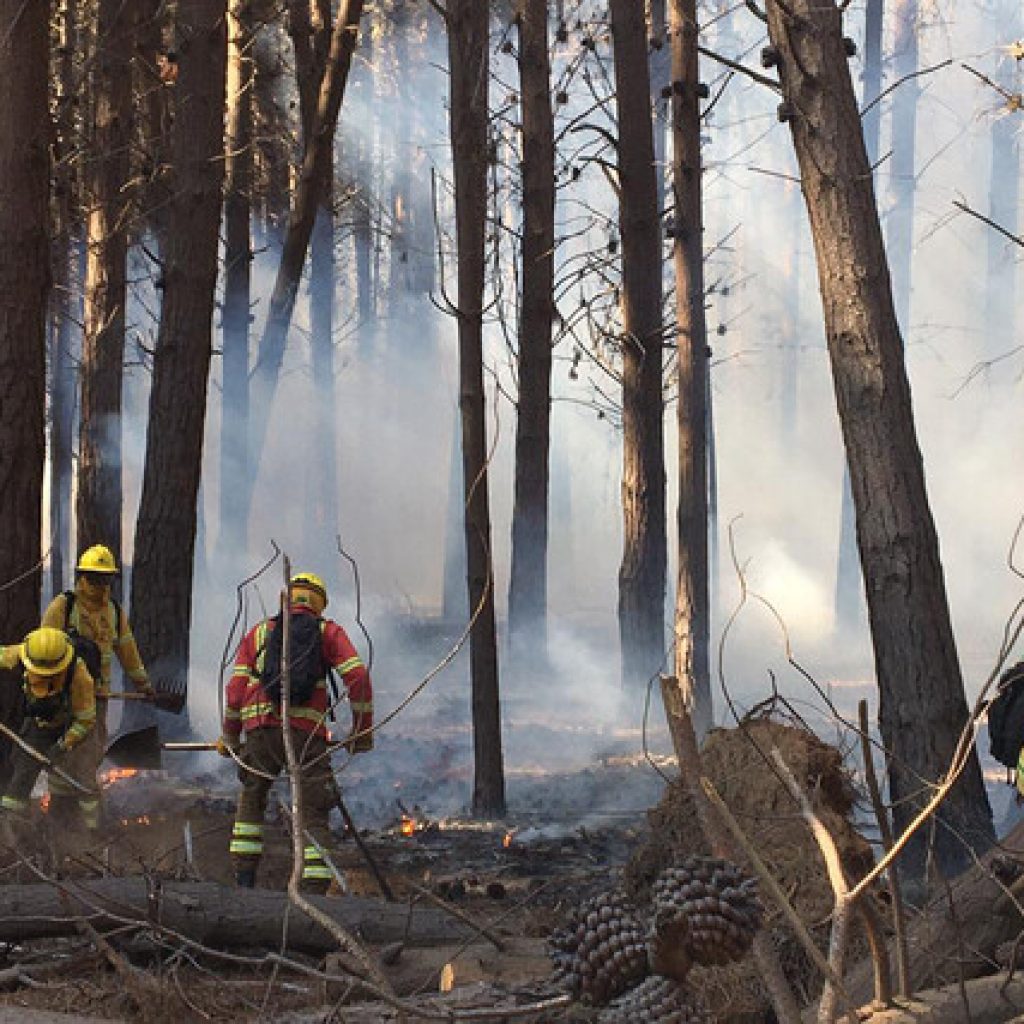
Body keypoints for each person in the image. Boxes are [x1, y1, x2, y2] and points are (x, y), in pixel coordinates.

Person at [219, 571, 373, 891]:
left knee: (252, 797)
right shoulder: (327, 632)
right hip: (306, 735)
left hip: (260, 729)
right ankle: (314, 890)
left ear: (285, 599)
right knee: (313, 807)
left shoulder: (260, 633)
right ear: (320, 603)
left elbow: (234, 691)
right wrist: (361, 733)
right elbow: (357, 677)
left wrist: (231, 737)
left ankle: (244, 881)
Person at [41, 545, 153, 806]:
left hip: (98, 697)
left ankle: (82, 809)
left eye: (105, 577)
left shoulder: (113, 611)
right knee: (67, 750)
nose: (99, 583)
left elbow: (128, 650)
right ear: (81, 575)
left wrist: (143, 684)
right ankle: (63, 806)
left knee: (91, 753)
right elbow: (44, 647)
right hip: (65, 696)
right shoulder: (64, 606)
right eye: (94, 576)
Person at [0, 628, 98, 829]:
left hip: (72, 728)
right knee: (23, 771)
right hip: (39, 725)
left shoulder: (79, 676)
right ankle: (11, 828)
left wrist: (63, 746)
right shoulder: (23, 654)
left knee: (82, 777)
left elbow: (86, 720)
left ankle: (92, 828)